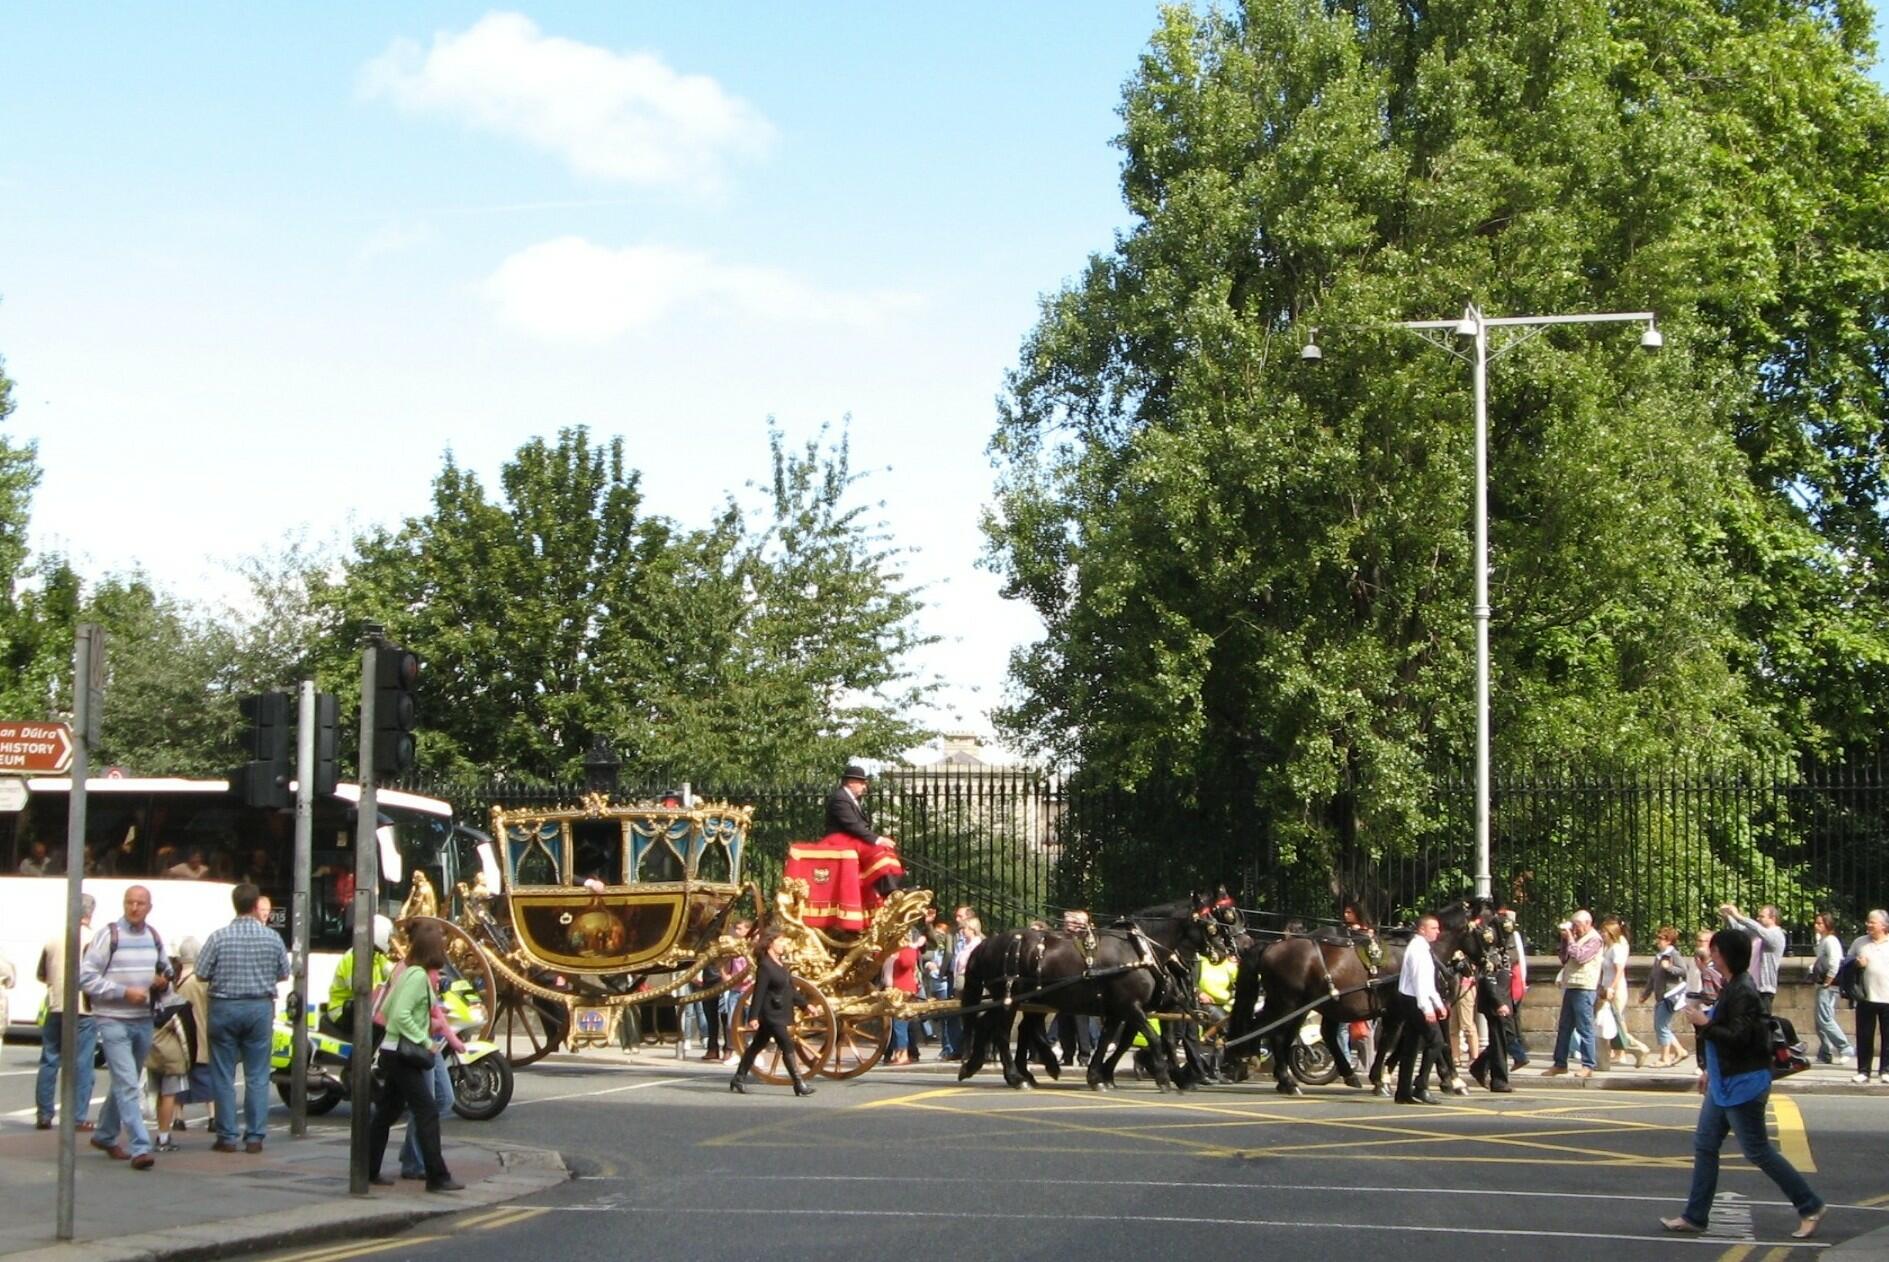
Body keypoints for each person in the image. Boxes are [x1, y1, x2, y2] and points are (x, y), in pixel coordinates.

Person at [1661, 927, 1824, 1239]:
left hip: (1744, 1083)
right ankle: (1695, 1216)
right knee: (1705, 1144)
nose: (1712, 954)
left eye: (1716, 950)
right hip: (1725, 1081)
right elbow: (1729, 1039)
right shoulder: (1732, 985)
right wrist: (1710, 1068)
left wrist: (1704, 1023)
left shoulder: (1745, 991)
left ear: (1726, 954)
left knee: (1757, 1150)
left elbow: (1738, 1038)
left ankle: (1810, 1205)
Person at [79, 885, 173, 1170]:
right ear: (124, 904)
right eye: (130, 902)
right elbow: (86, 976)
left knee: (126, 1080)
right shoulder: (109, 935)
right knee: (128, 1082)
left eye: (140, 903)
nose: (134, 908)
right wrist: (123, 992)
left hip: (143, 1019)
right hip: (112, 1018)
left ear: (149, 907)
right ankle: (140, 1147)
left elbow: (167, 970)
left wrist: (162, 981)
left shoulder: (153, 936)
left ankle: (106, 1134)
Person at [367, 920, 463, 1192]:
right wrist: (425, 1041)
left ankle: (367, 1168)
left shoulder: (411, 972)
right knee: (427, 1110)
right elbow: (398, 1016)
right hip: (401, 1054)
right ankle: (437, 1176)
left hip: (393, 1051)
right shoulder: (418, 977)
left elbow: (389, 1007)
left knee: (387, 1112)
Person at [197, 881, 290, 1153]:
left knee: (223, 1073)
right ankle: (255, 1136)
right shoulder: (271, 938)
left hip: (224, 1007)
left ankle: (226, 1136)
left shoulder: (218, 937)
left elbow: (201, 972)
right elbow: (284, 973)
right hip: (259, 1008)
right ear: (254, 906)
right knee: (258, 1075)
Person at [34, 893, 97, 1132]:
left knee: (50, 1059)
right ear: (89, 913)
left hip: (56, 1005)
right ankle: (78, 1116)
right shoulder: (94, 938)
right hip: (84, 1007)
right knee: (82, 1062)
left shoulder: (52, 939)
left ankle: (44, 1114)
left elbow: (41, 974)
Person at [400, 958, 466, 1181]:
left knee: (445, 1099)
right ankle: (416, 1163)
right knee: (424, 1104)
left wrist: (451, 1039)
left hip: (432, 1045)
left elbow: (436, 1012)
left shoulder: (426, 981)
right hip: (419, 1046)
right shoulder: (410, 974)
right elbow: (400, 1014)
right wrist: (426, 1035)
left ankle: (411, 1156)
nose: (439, 977)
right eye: (436, 972)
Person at [730, 929, 815, 1096]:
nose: (784, 945)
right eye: (781, 941)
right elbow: (759, 992)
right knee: (787, 1045)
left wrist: (805, 1005)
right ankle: (799, 1083)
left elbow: (790, 991)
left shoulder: (781, 965)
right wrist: (753, 1016)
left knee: (756, 1046)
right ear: (770, 944)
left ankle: (738, 1078)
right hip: (770, 1014)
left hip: (782, 1012)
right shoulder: (765, 966)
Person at [151, 937, 214, 1149]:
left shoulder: (175, 982)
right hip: (197, 1035)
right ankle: (213, 1117)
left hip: (168, 1042)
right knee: (205, 1079)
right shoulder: (202, 981)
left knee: (173, 1089)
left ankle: (177, 1119)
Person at [822, 763, 904, 898]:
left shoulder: (851, 798)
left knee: (887, 849)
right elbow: (852, 825)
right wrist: (878, 839)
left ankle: (894, 887)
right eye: (862, 783)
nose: (865, 787)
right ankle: (888, 890)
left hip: (850, 837)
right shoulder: (840, 798)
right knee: (876, 849)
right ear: (851, 782)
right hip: (839, 838)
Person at [1394, 914, 1451, 1104]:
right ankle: (1421, 1085)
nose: (1438, 931)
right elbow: (1419, 983)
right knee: (1436, 1042)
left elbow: (1428, 983)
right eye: (1433, 928)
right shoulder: (1418, 950)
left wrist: (1438, 1003)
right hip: (1415, 1001)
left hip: (1412, 1000)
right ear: (1421, 930)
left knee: (1411, 1046)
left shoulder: (1422, 948)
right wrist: (1427, 1008)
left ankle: (1403, 1092)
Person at [1544, 910, 1601, 1080]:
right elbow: (1565, 958)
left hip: (1584, 987)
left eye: (1577, 925)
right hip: (1572, 985)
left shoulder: (1595, 939)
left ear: (1587, 923)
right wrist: (1565, 940)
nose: (1575, 929)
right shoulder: (1576, 938)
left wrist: (1570, 938)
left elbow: (1580, 956)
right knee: (1564, 1027)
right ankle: (1559, 1064)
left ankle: (1588, 1065)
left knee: (1584, 1028)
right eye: (1573, 925)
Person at [1597, 916, 1650, 1069]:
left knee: (1614, 1023)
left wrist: (1611, 988)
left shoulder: (1617, 948)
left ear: (1611, 933)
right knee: (1610, 1023)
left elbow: (1619, 971)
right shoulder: (1608, 948)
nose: (1602, 934)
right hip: (1607, 989)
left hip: (1616, 990)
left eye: (1604, 932)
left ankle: (1636, 1049)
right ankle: (1616, 1054)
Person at [327, 915, 394, 1034]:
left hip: (366, 1008)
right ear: (380, 935)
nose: (390, 941)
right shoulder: (353, 958)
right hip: (342, 1011)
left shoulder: (376, 956)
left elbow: (392, 972)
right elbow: (360, 989)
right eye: (388, 938)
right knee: (379, 1030)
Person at [1720, 903, 1787, 1013]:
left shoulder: (1777, 935)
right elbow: (1738, 930)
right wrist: (1728, 916)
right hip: (1748, 985)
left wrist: (1738, 916)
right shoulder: (1755, 934)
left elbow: (1760, 931)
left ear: (1773, 918)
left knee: (1762, 1024)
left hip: (1764, 989)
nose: (1758, 919)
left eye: (1761, 916)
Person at [1849, 909, 1889, 1084]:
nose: (1868, 925)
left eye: (1872, 922)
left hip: (1887, 997)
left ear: (1884, 925)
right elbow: (1846, 963)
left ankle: (1886, 1070)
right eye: (1868, 921)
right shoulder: (1860, 942)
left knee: (1887, 1037)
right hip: (1866, 996)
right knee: (1864, 1035)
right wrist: (1856, 964)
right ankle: (1863, 1070)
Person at [1808, 911, 1853, 1067]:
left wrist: (1828, 980)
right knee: (1820, 1020)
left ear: (1827, 924)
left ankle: (1845, 1048)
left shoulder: (1831, 941)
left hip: (1828, 984)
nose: (1816, 925)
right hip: (1823, 983)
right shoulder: (1823, 940)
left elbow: (1835, 962)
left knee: (1824, 1019)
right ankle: (1825, 1052)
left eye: (1820, 923)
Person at [1643, 926, 1690, 1067]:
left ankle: (1665, 1058)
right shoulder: (1659, 956)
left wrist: (1668, 967)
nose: (1657, 941)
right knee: (1662, 1026)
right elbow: (1653, 977)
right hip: (1660, 996)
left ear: (1669, 941)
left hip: (1669, 995)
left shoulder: (1673, 955)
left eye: (1660, 938)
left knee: (1661, 1026)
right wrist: (1646, 993)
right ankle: (1680, 1051)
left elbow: (1683, 971)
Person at [882, 924, 924, 1066]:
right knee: (897, 1025)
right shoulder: (893, 950)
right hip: (893, 989)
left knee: (900, 1025)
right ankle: (898, 1052)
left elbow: (907, 963)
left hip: (903, 989)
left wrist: (906, 948)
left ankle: (904, 1054)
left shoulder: (907, 949)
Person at [718, 920, 752, 1067]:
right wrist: (726, 977)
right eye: (735, 928)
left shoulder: (750, 947)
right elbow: (723, 966)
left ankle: (751, 1051)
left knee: (751, 1022)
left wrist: (750, 977)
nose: (736, 931)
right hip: (735, 990)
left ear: (747, 930)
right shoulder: (730, 947)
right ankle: (736, 1051)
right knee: (733, 1022)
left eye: (739, 929)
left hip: (750, 990)